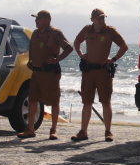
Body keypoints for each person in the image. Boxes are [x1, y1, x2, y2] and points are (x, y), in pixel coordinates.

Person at [72, 8, 128, 142]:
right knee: (87, 102)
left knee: (105, 101)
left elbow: (124, 46)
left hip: (103, 72)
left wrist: (112, 59)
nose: (101, 20)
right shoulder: (87, 29)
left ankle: (108, 132)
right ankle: (83, 132)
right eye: (99, 18)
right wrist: (81, 55)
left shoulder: (110, 31)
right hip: (88, 71)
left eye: (103, 18)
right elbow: (76, 42)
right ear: (92, 19)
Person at [18, 10, 72, 140]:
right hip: (36, 72)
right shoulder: (35, 33)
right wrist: (30, 61)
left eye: (38, 19)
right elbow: (32, 48)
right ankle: (30, 129)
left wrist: (56, 59)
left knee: (54, 101)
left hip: (50, 72)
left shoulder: (55, 33)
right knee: (33, 100)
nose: (36, 21)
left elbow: (69, 48)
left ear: (46, 20)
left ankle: (53, 130)